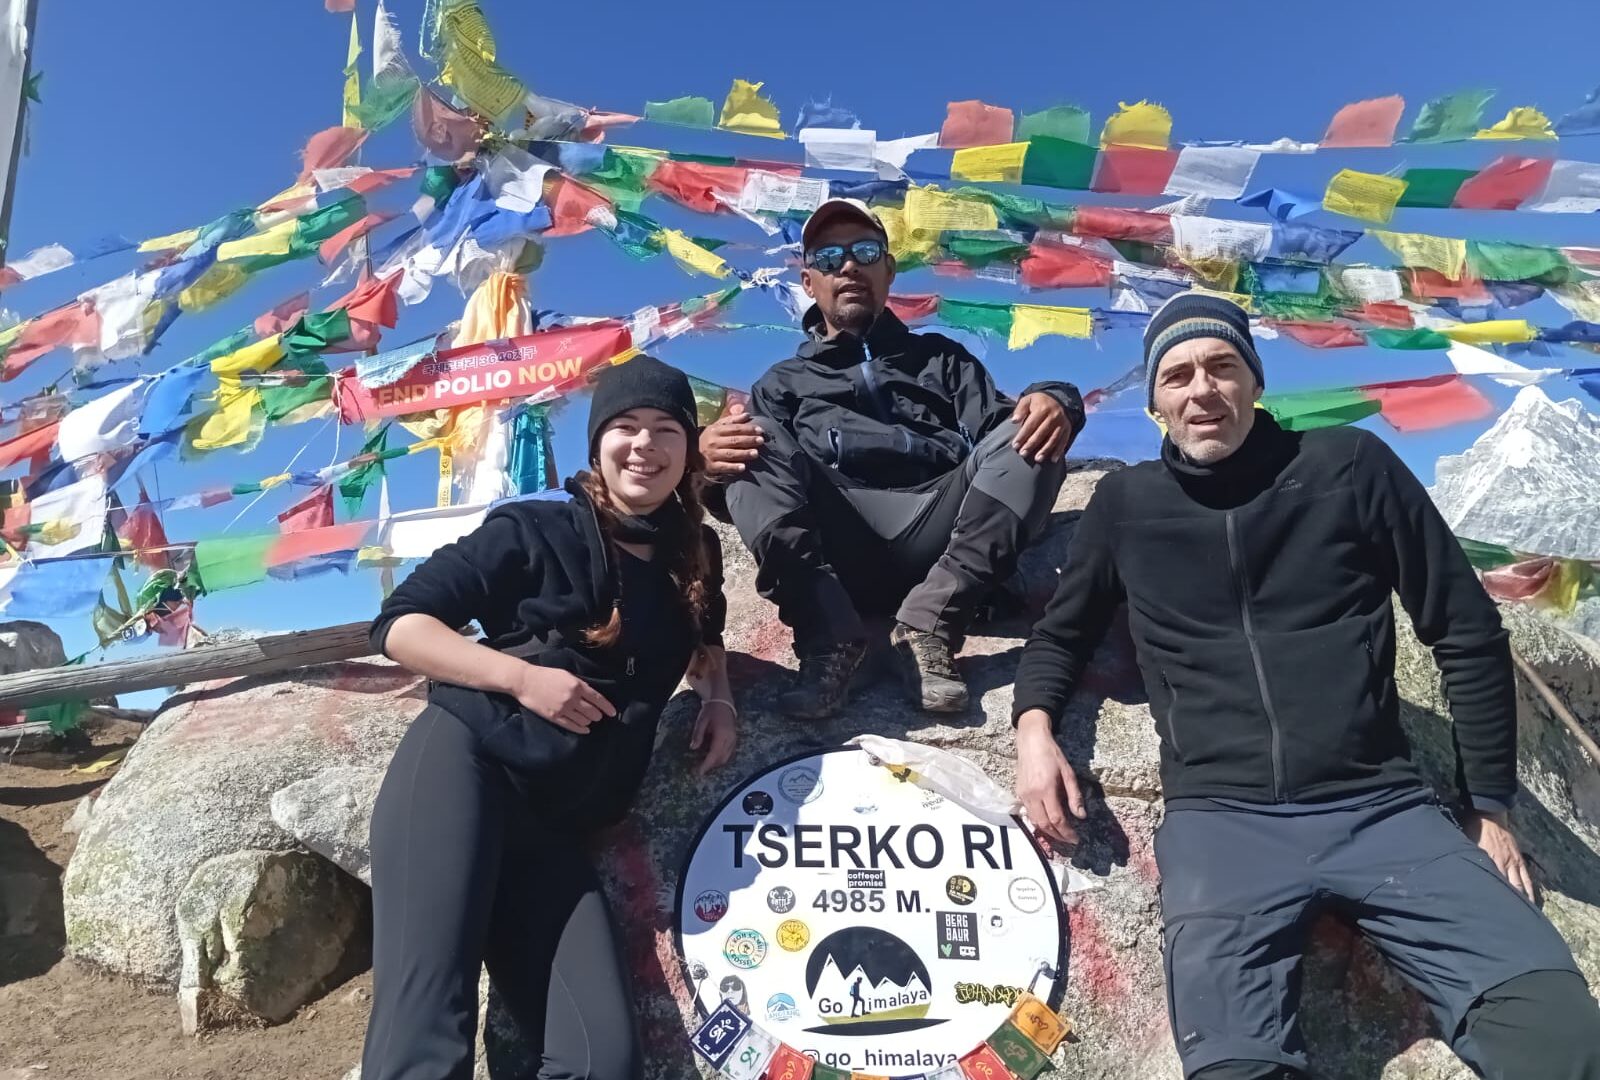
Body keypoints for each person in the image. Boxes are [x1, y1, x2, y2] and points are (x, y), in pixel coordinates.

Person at [1011, 292, 1600, 1079]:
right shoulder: (1126, 505)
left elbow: (1463, 626)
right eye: (1178, 375)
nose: (1201, 389)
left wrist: (1487, 804)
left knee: (1556, 1027)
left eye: (1222, 366)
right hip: (1221, 826)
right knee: (1234, 1069)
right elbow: (1063, 631)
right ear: (1154, 400)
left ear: (1254, 380)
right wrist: (1032, 731)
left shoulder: (1348, 467)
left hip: (1383, 811)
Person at [359, 356, 738, 1080]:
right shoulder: (533, 531)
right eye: (625, 427)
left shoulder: (695, 555)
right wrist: (521, 678)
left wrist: (718, 698)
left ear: (689, 448)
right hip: (463, 771)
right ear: (597, 444)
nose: (644, 446)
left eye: (666, 429)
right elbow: (401, 626)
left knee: (601, 1060)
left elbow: (707, 642)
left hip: (553, 826)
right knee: (427, 1038)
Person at [701, 197, 1086, 718]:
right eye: (829, 257)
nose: (849, 266)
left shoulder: (943, 359)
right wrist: (704, 461)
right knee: (753, 436)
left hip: (938, 527)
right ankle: (829, 638)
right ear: (809, 281)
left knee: (1031, 434)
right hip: (840, 537)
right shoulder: (780, 383)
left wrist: (1055, 399)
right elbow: (744, 497)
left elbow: (1003, 430)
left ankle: (929, 624)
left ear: (888, 270)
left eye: (865, 251)